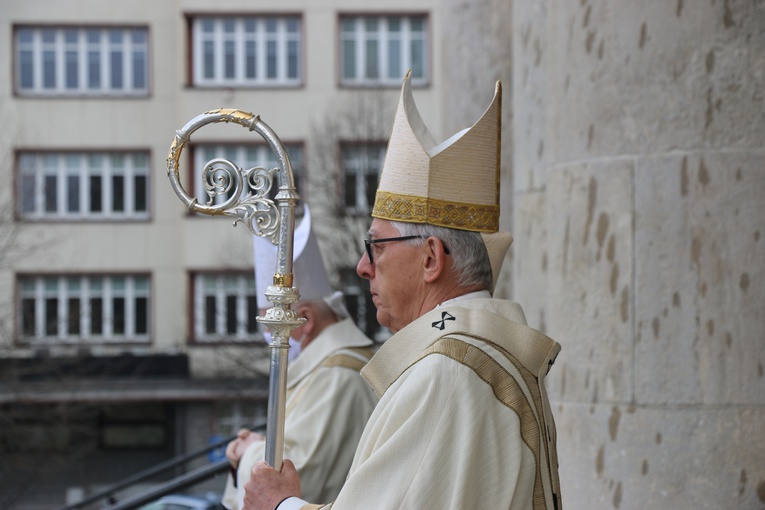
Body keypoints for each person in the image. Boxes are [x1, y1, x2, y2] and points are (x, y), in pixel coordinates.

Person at [243, 71, 563, 510]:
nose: (362, 267)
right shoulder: (485, 352)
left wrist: (279, 506)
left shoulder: (446, 372)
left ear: (431, 258)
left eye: (375, 246)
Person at [221, 205, 378, 510]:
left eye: (274, 325)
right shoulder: (321, 367)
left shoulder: (338, 375)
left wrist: (248, 452)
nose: (270, 336)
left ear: (304, 319)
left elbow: (301, 479)